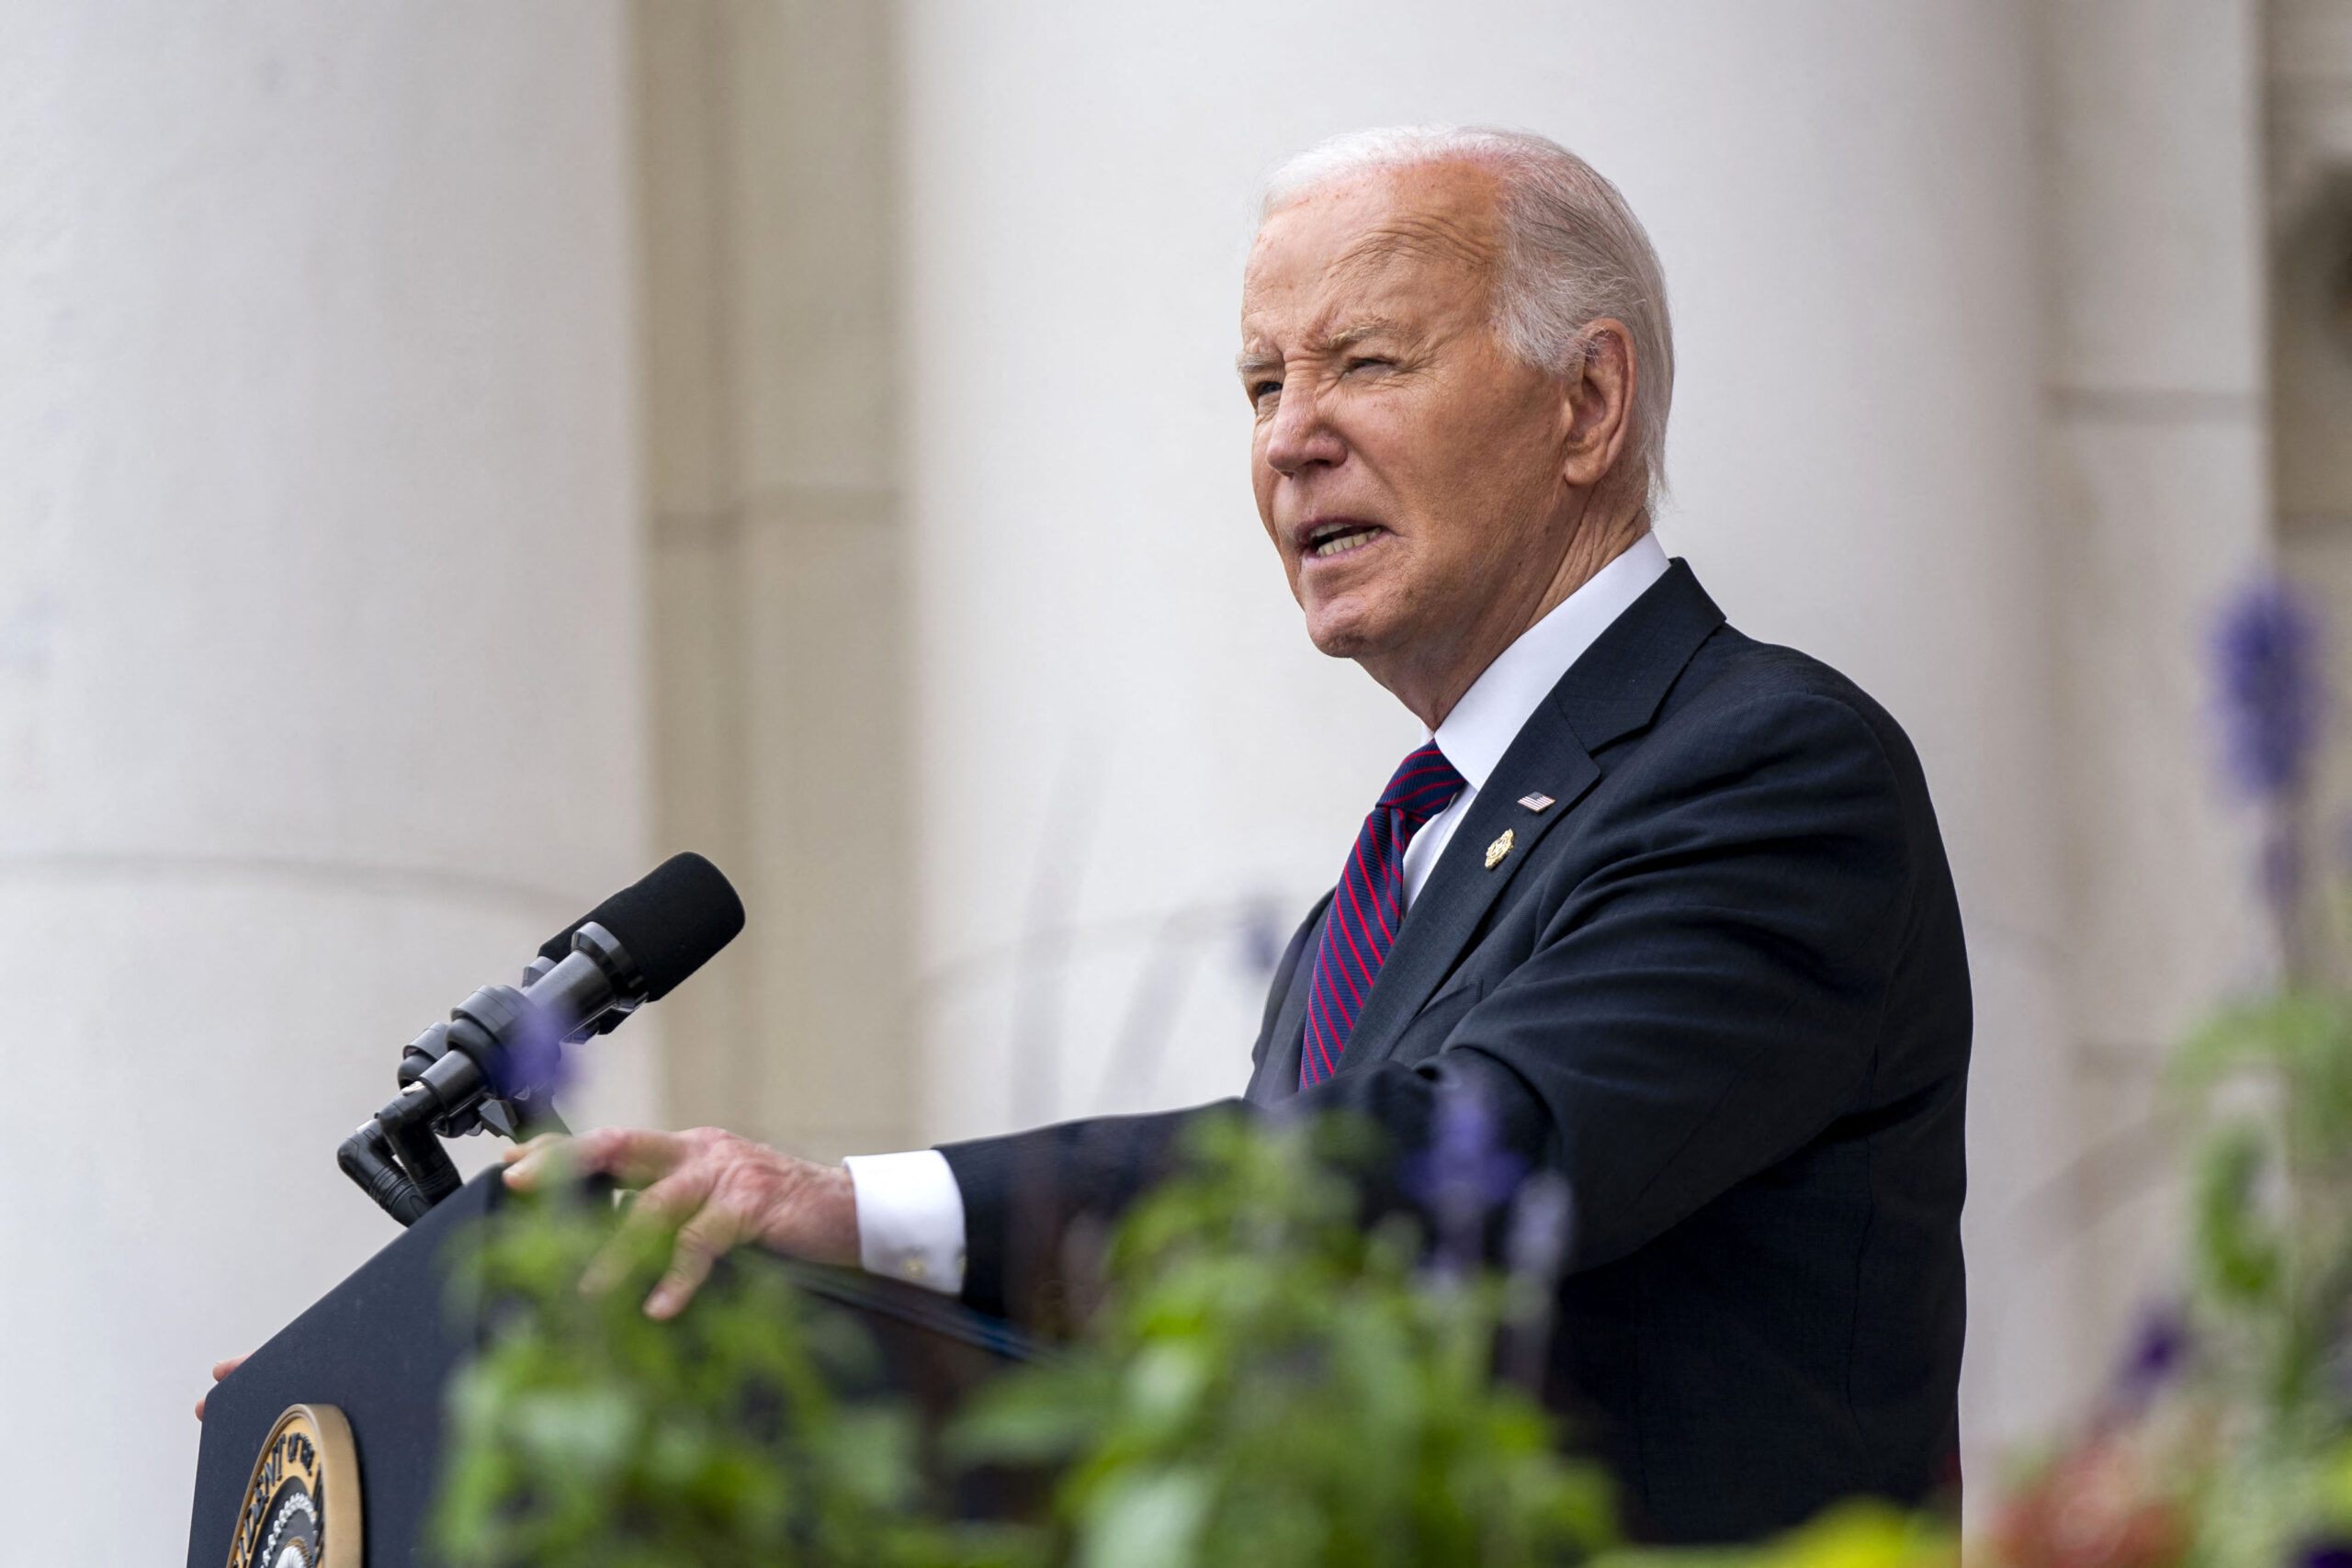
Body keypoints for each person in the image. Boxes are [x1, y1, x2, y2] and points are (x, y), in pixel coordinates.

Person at [226, 126, 1974, 1542]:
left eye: (1364, 361)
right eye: (1259, 384)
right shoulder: (1382, 895)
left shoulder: (1766, 768)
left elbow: (1477, 1166)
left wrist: (853, 1210)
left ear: (1587, 406)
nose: (1292, 439)